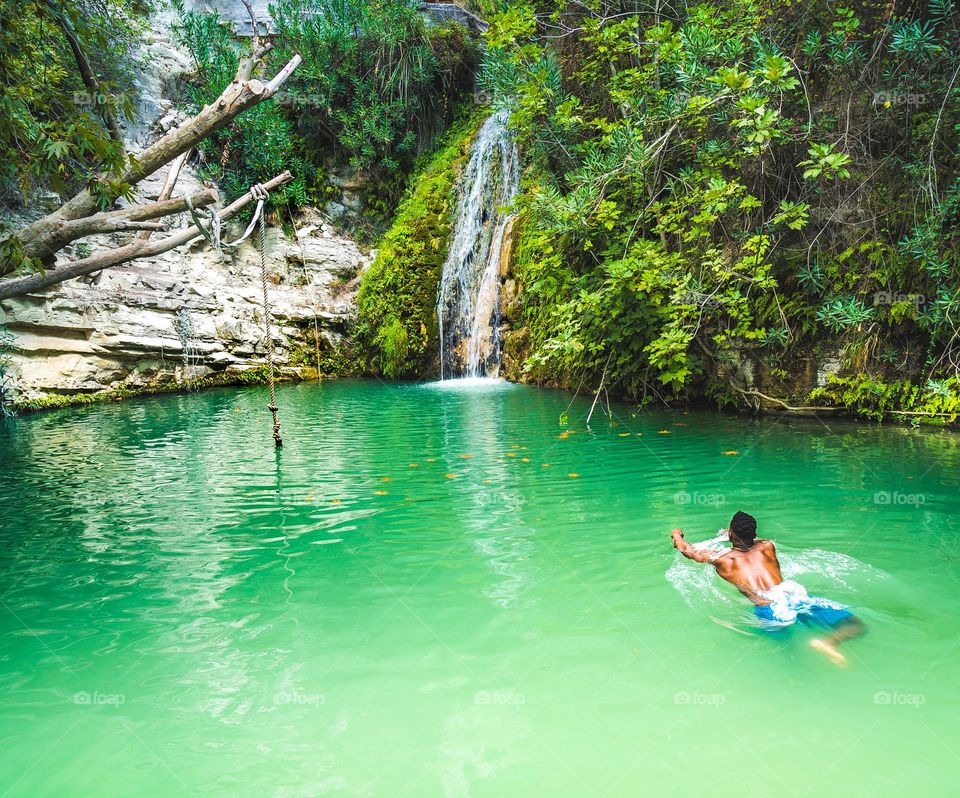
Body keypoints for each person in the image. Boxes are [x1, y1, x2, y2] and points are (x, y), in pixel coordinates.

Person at [670, 510, 866, 666]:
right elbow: (749, 539)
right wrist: (729, 535)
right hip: (794, 595)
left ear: (731, 534)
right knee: (855, 625)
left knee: (788, 654)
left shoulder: (722, 560)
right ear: (754, 534)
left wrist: (677, 536)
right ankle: (829, 642)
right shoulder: (767, 546)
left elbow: (688, 550)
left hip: (767, 606)